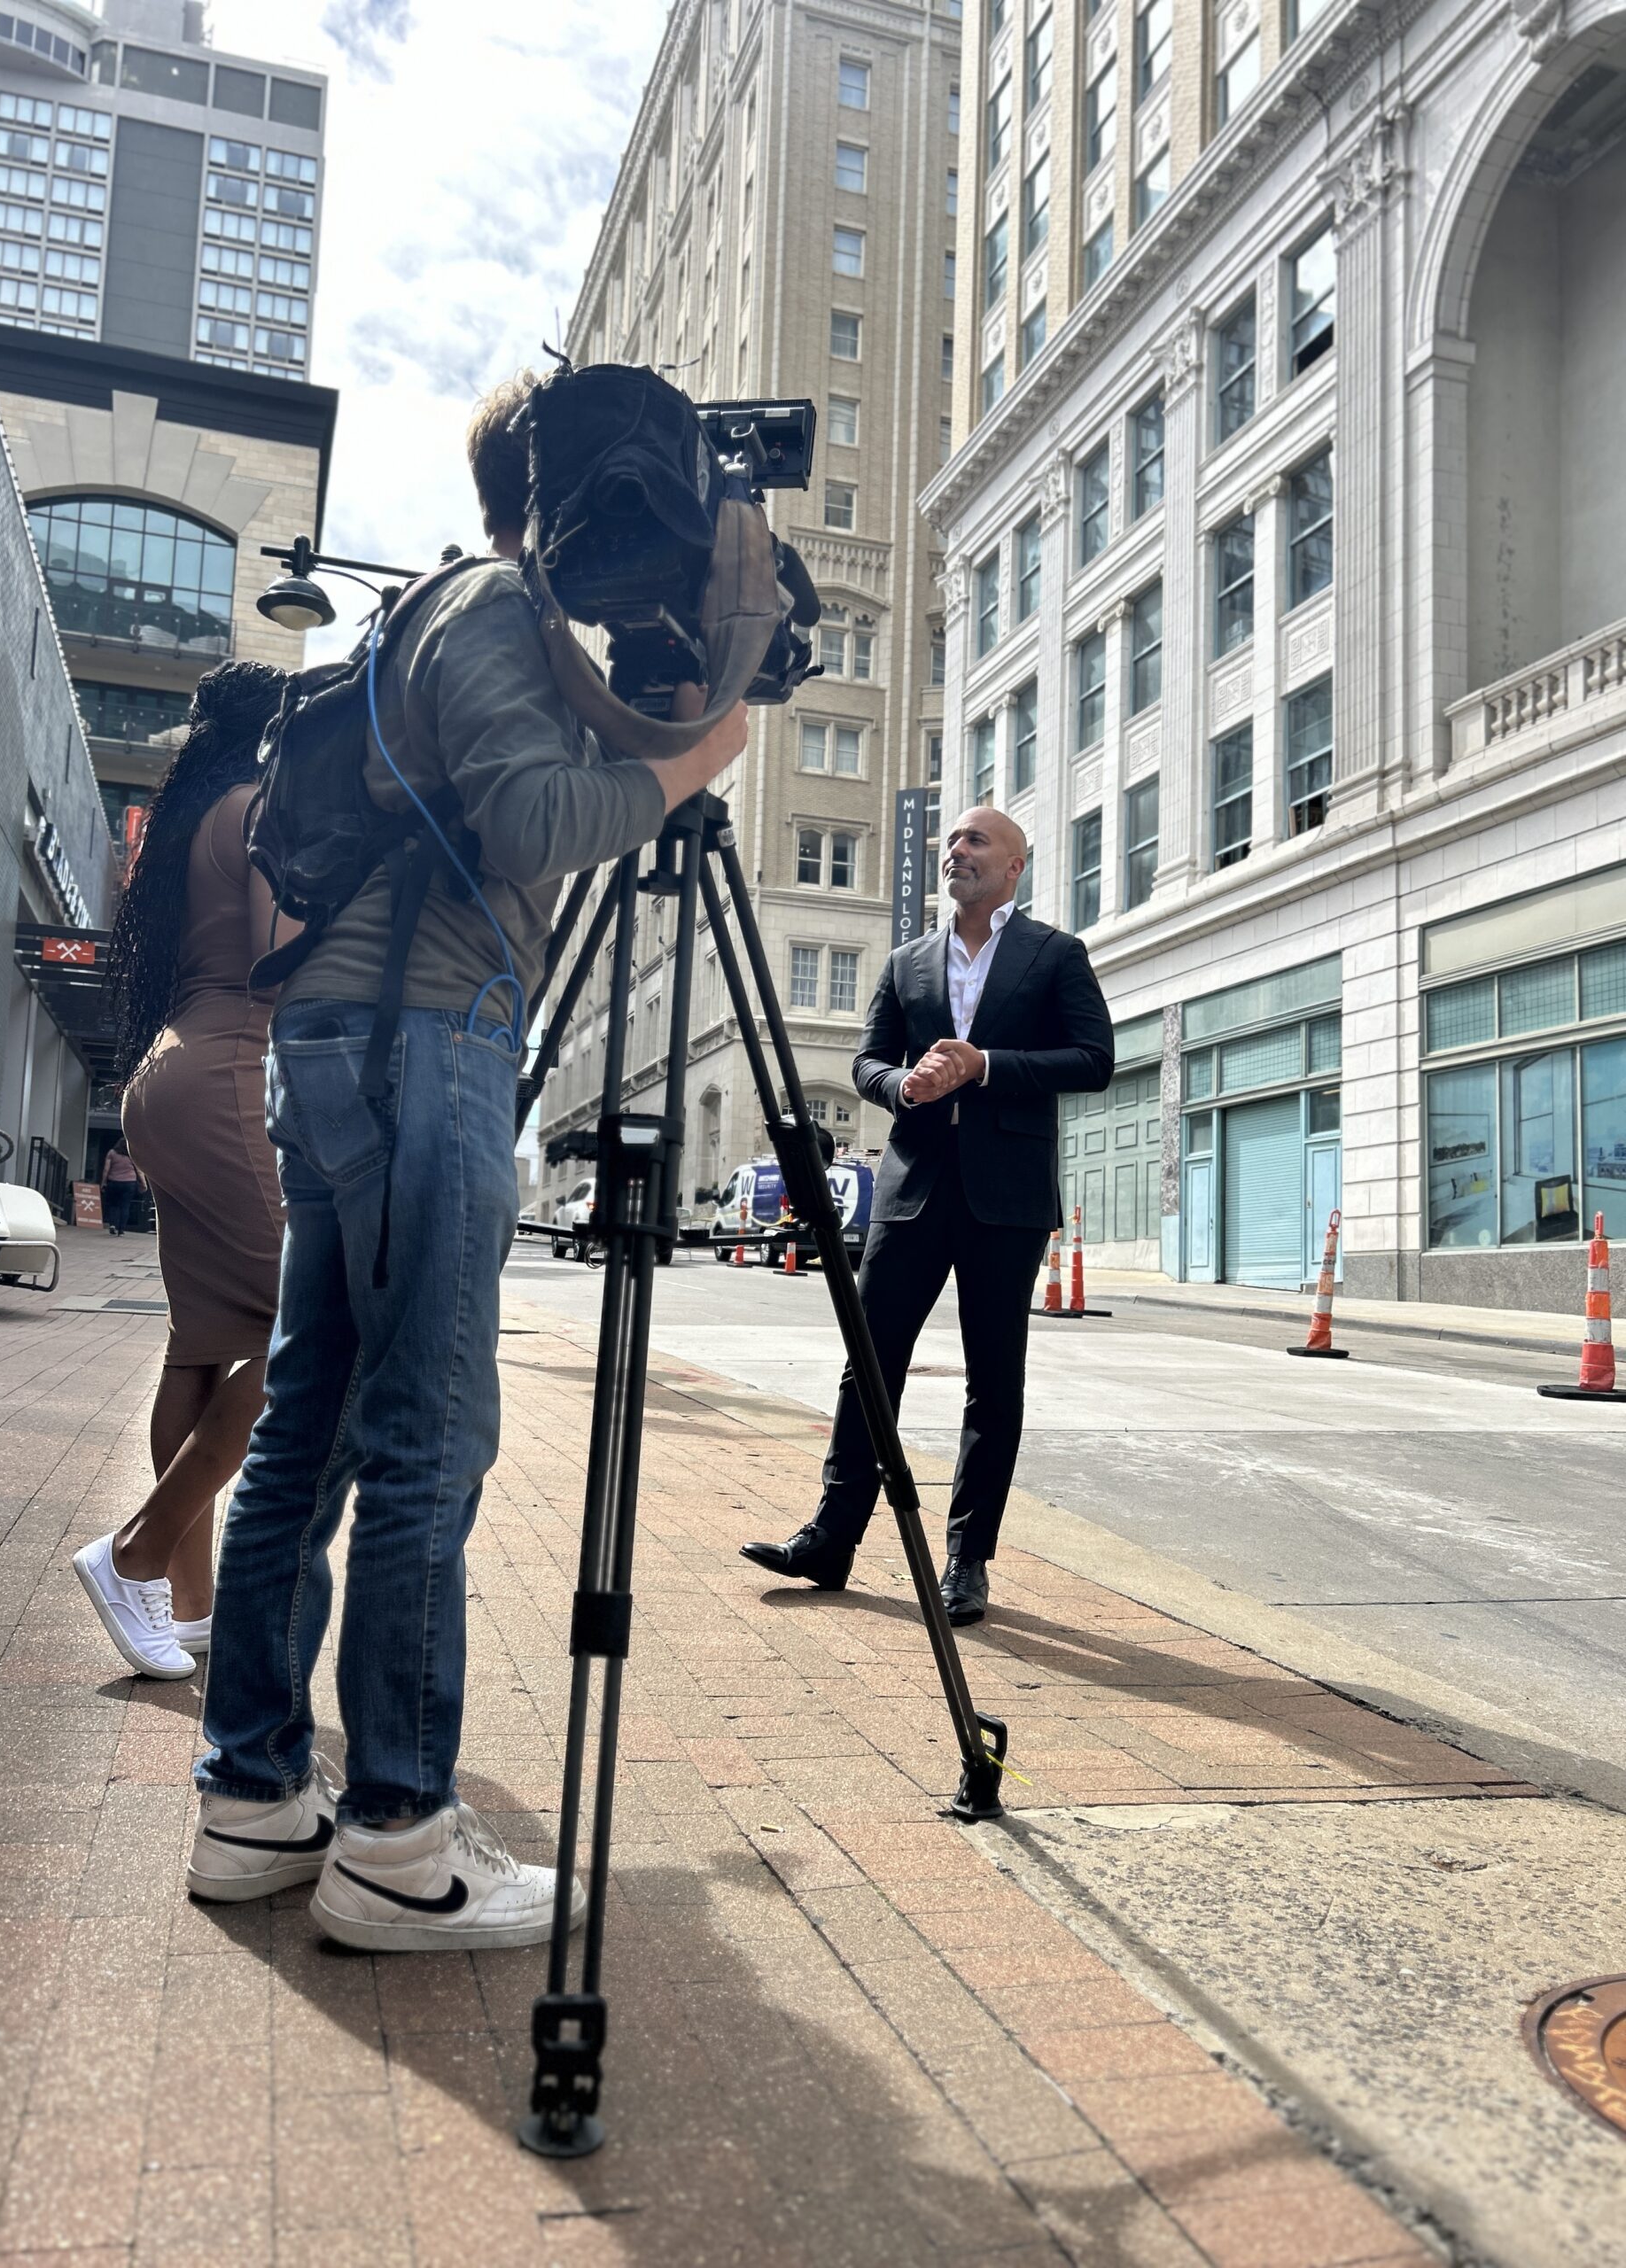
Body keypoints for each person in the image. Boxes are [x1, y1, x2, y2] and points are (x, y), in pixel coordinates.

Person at [186, 373, 749, 1950]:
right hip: (422, 1040)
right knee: (425, 1436)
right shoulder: (495, 604)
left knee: (309, 1431)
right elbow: (528, 823)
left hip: (351, 1042)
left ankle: (254, 1798)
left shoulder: (435, 607)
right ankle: (398, 1842)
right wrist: (698, 755)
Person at [743, 807, 1114, 1626]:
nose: (956, 851)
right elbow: (866, 1060)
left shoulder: (1056, 954)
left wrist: (987, 1066)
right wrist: (901, 1086)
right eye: (951, 842)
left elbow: (1095, 1060)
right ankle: (832, 1538)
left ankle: (967, 1563)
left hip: (1006, 1197)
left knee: (994, 1381)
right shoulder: (907, 960)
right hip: (911, 1188)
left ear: (1014, 866)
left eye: (975, 840)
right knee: (869, 1365)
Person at [73, 662, 292, 1682]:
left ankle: (190, 1604)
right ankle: (136, 1553)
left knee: (204, 1341)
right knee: (311, 1327)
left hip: (168, 1077)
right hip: (227, 1077)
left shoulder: (195, 816)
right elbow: (280, 954)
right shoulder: (263, 810)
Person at [98, 1138, 142, 1236]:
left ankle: (113, 1224)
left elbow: (106, 1169)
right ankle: (121, 1230)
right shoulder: (132, 1155)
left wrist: (103, 1182)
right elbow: (139, 1171)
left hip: (114, 1182)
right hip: (129, 1183)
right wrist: (143, 1183)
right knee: (125, 1206)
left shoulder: (112, 1153)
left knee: (113, 1205)